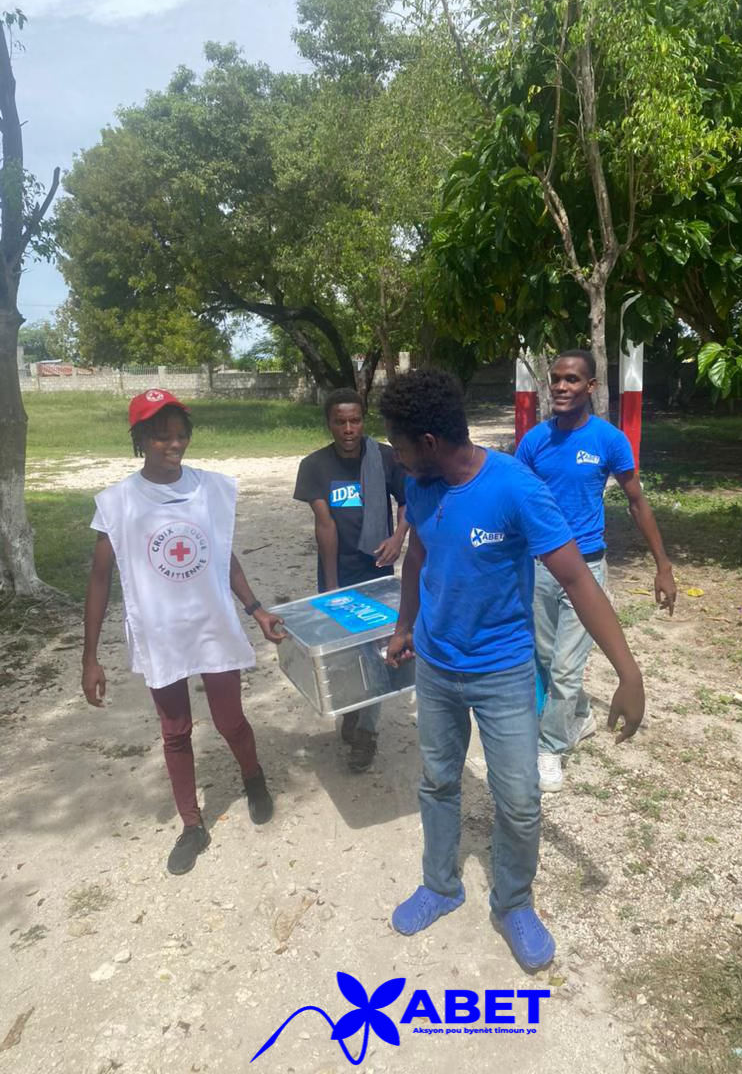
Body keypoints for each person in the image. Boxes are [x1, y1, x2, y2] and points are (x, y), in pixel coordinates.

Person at [379, 368, 645, 974]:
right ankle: (441, 885)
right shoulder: (420, 484)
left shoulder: (515, 488)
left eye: (398, 443)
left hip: (502, 672)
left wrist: (628, 673)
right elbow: (418, 555)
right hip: (437, 668)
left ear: (428, 441)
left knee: (520, 800)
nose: (395, 455)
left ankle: (514, 902)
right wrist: (403, 626)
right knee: (438, 782)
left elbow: (577, 579)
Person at [81, 390, 285, 876]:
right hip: (161, 633)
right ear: (140, 440)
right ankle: (192, 824)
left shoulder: (210, 489)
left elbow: (222, 556)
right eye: (161, 436)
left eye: (180, 434)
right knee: (175, 731)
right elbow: (99, 579)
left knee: (231, 720)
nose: (174, 444)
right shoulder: (117, 503)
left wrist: (255, 610)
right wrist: (89, 657)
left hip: (211, 623)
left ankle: (253, 776)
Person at [516, 350, 676, 792]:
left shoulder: (609, 440)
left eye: (572, 379)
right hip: (540, 568)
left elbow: (637, 502)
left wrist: (663, 566)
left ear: (591, 387)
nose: (561, 386)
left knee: (566, 667)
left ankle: (550, 747)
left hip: (587, 572)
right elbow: (516, 503)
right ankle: (580, 714)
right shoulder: (534, 442)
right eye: (556, 379)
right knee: (544, 659)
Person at [294, 388, 409, 772]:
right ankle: (352, 706)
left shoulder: (385, 457)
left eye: (355, 420)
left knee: (376, 651)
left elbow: (407, 501)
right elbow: (324, 525)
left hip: (377, 569)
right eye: (340, 422)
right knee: (344, 649)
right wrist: (331, 587)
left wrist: (398, 538)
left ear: (363, 421)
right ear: (329, 424)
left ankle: (367, 733)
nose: (348, 429)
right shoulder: (314, 466)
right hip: (337, 569)